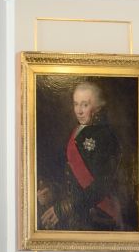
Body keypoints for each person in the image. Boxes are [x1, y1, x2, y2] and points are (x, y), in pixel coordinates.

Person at [37, 79, 129, 231]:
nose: (79, 111)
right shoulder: (77, 131)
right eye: (76, 104)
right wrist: (52, 191)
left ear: (98, 107)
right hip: (75, 217)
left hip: (98, 218)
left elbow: (102, 185)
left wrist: (65, 207)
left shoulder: (106, 136)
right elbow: (71, 181)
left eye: (85, 105)